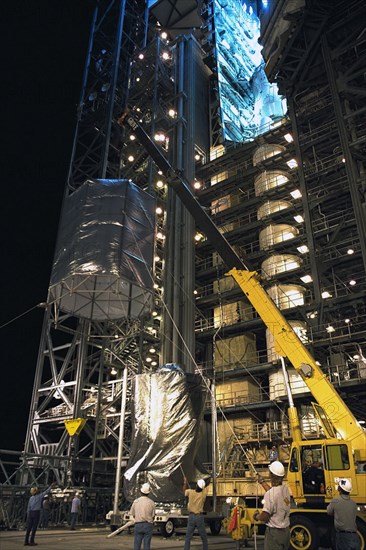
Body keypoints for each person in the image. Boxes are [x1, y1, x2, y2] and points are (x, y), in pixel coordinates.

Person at [253, 461, 291, 550]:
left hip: (274, 533)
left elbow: (265, 516)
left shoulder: (270, 494)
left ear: (271, 475)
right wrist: (262, 482)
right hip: (286, 532)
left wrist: (256, 516)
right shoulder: (285, 489)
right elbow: (273, 494)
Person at [327, 478, 360, 550]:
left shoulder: (335, 501)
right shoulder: (353, 503)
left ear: (339, 489)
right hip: (355, 536)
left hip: (343, 537)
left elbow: (329, 512)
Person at [183, 478, 209, 550]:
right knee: (203, 537)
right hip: (199, 517)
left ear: (196, 485)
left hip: (191, 516)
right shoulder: (203, 495)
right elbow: (206, 486)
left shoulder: (190, 492)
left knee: (188, 537)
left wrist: (185, 482)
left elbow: (184, 491)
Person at [130, 482, 155, 550]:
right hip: (148, 525)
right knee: (147, 545)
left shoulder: (136, 501)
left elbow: (132, 514)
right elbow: (153, 516)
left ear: (141, 492)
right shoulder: (151, 502)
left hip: (138, 524)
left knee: (137, 544)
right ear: (149, 493)